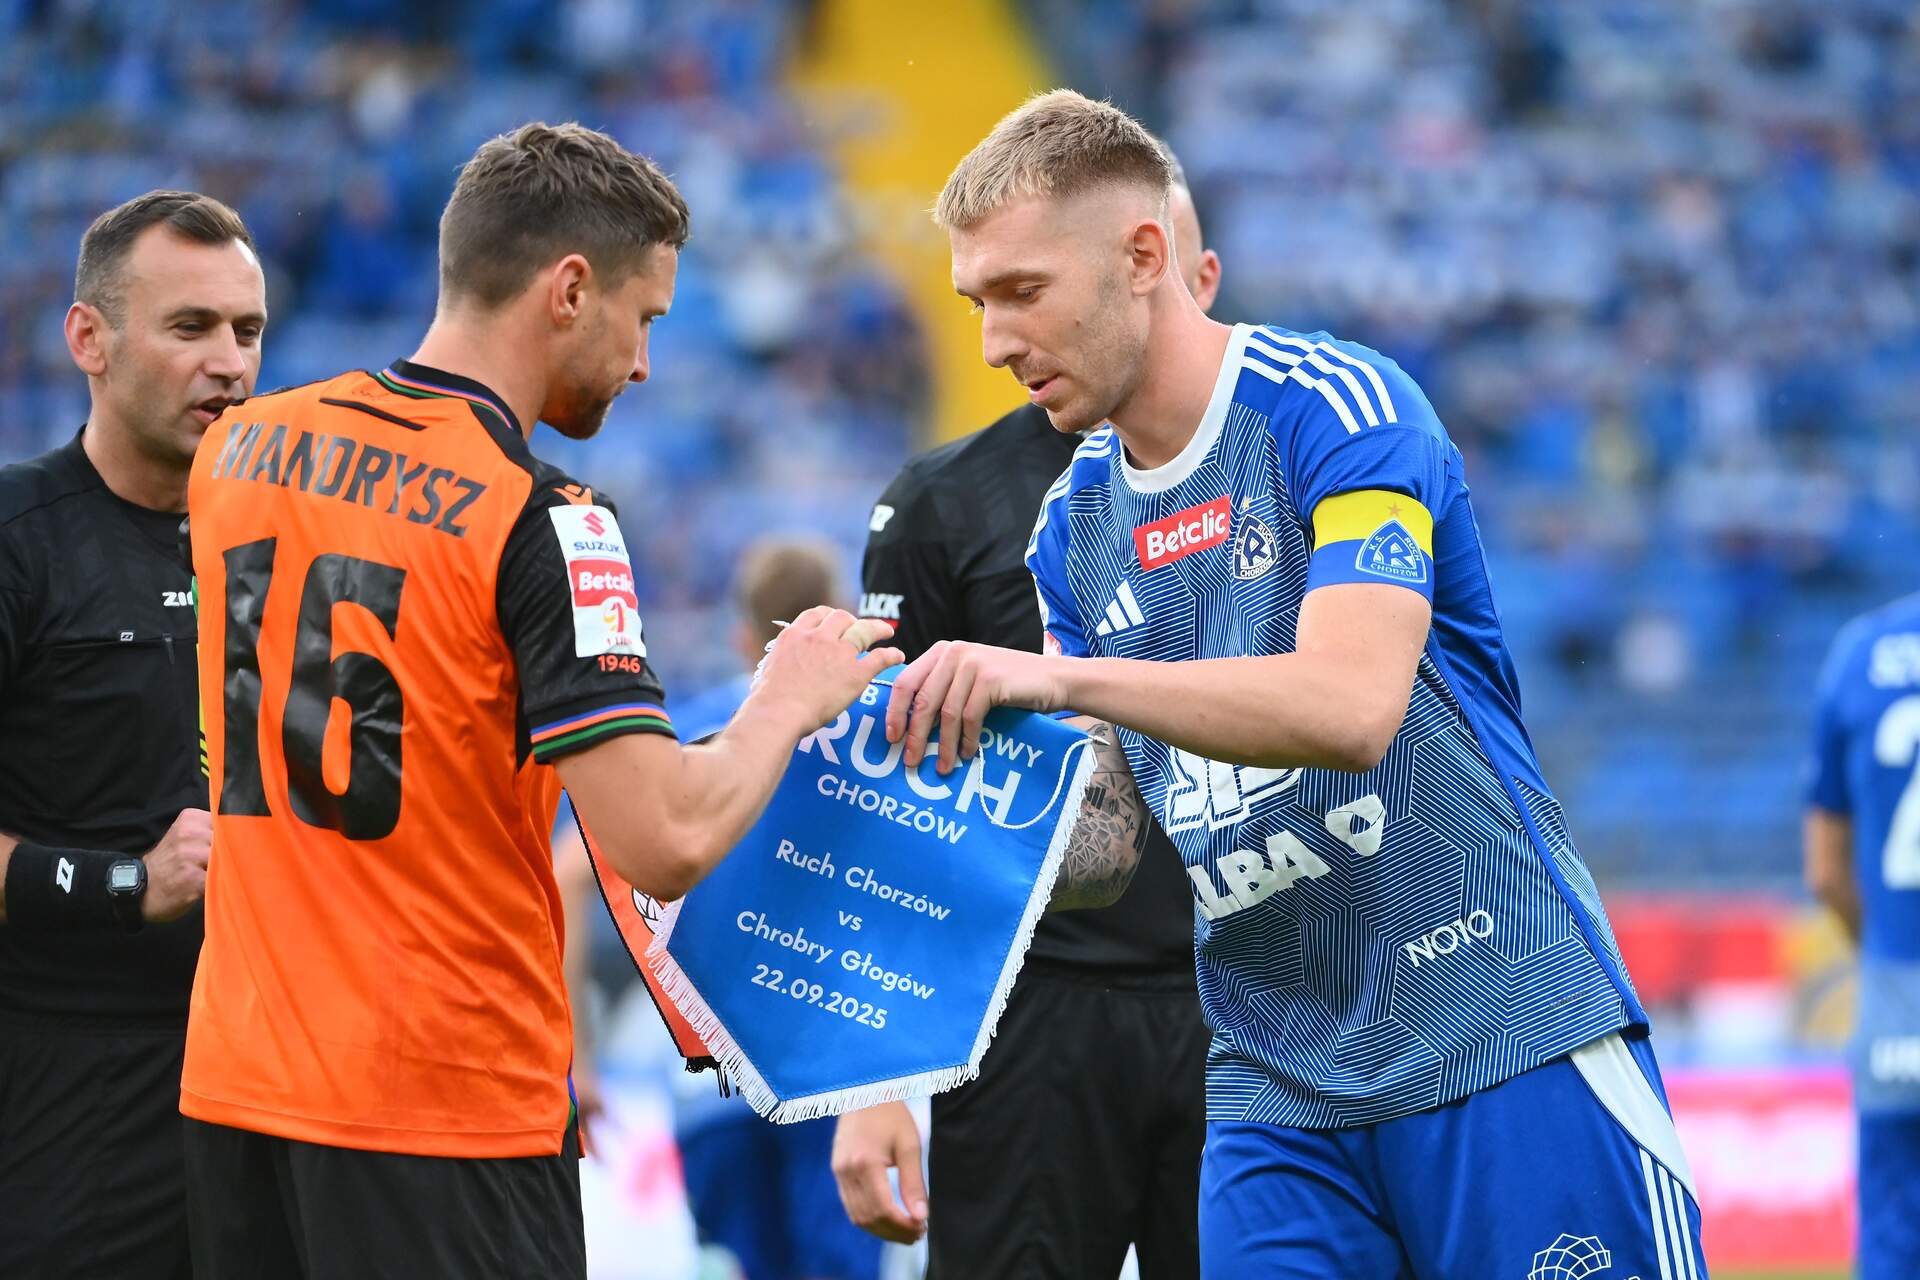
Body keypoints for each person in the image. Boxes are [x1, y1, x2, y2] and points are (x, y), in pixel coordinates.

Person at [882, 90, 1707, 1279]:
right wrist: (898, 800)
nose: (995, 344)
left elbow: (1352, 708)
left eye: (1022, 291)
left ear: (1145, 257)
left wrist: (1062, 678)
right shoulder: (1071, 528)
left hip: (1496, 1022)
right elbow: (1105, 848)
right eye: (976, 303)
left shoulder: (1336, 406)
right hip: (1276, 1085)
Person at [178, 121, 903, 1280]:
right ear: (569, 289)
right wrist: (786, 694)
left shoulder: (237, 453)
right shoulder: (548, 517)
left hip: (239, 1090)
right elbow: (663, 837)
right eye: (644, 316)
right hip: (446, 1109)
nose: (645, 362)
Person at [831, 163, 1219, 1279]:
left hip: (1258, 1010)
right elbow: (886, 793)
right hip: (1028, 1018)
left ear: (1184, 277)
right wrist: (872, 1077)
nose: (1004, 338)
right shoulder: (948, 499)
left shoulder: (1289, 464)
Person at [0, 190, 264, 1280]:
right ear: (89, 339)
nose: (230, 364)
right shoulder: (19, 539)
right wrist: (127, 884)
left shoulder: (290, 543)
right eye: (190, 326)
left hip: (272, 1080)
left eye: (247, 330)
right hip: (74, 1089)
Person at [668, 536, 885, 1280]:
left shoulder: (689, 730)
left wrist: (585, 1052)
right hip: (832, 1065)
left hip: (712, 1075)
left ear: (740, 636)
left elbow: (576, 872)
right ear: (844, 616)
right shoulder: (872, 734)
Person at [1805, 594, 1920, 1280]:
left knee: (1893, 1240)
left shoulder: (1861, 652)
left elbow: (1825, 873)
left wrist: (1882, 958)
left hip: (1894, 1008)